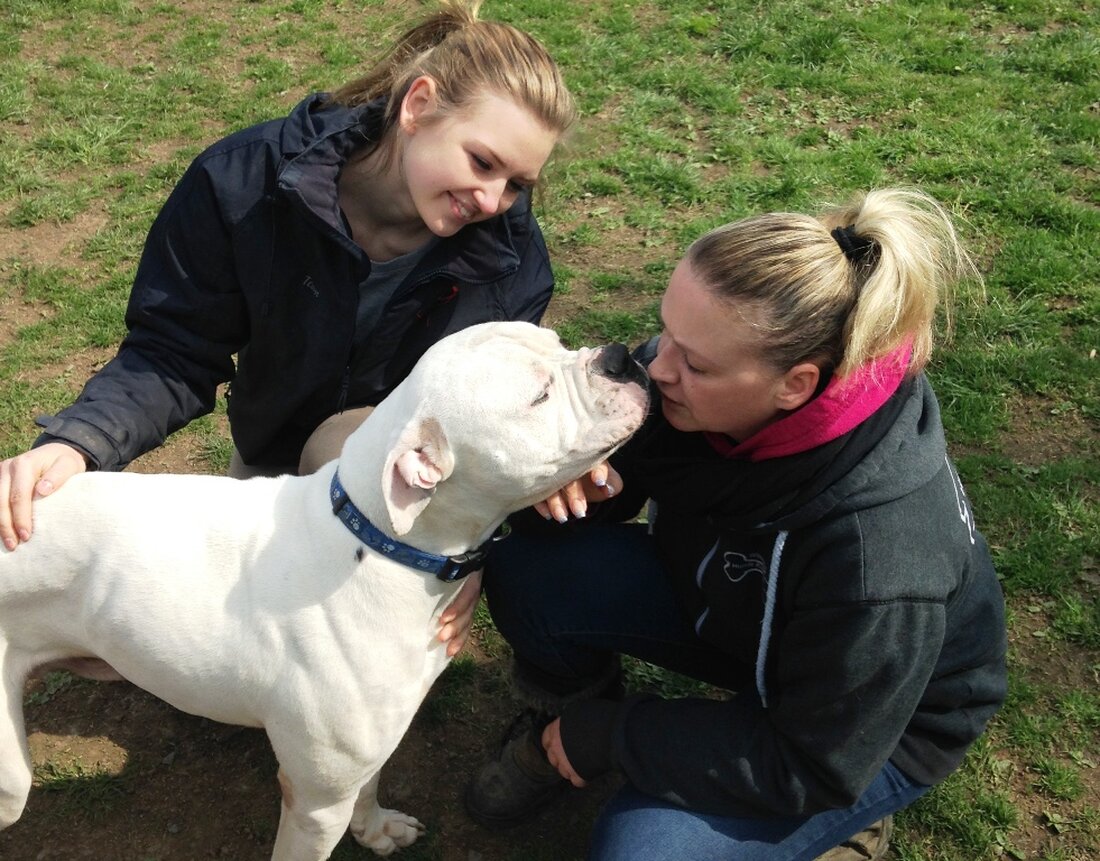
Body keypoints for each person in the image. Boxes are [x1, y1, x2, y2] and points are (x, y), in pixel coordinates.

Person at [0, 0, 574, 649]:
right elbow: (174, 349)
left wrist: (459, 555)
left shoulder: (511, 260)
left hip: (412, 491)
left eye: (517, 184)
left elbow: (492, 426)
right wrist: (79, 441)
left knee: (335, 624)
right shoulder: (245, 183)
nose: (493, 200)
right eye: (482, 162)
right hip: (272, 460)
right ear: (417, 106)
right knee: (207, 641)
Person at [464, 188, 1008, 861]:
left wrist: (613, 736)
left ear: (795, 386)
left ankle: (844, 827)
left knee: (643, 852)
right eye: (666, 331)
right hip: (741, 607)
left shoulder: (882, 562)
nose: (656, 367)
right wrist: (573, 484)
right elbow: (611, 479)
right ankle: (568, 716)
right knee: (529, 572)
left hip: (863, 726)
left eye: (695, 364)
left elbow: (811, 762)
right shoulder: (699, 380)